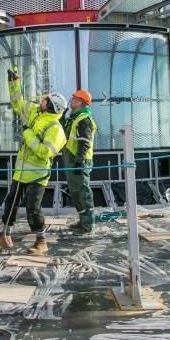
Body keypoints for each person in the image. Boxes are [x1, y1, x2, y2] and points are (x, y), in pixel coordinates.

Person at [0, 70, 67, 255]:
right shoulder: (35, 112)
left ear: (51, 106)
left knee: (33, 207)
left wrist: (27, 132)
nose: (42, 100)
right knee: (10, 202)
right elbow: (17, 102)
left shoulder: (56, 130)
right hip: (22, 170)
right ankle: (5, 235)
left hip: (38, 174)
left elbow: (43, 153)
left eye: (46, 99)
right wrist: (14, 82)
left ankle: (41, 241)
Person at [63, 90, 97, 234]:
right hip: (73, 160)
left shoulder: (83, 119)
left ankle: (88, 226)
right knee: (76, 192)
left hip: (79, 161)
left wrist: (79, 161)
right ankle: (83, 220)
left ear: (80, 102)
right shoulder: (74, 118)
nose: (71, 100)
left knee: (83, 193)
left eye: (74, 98)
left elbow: (84, 142)